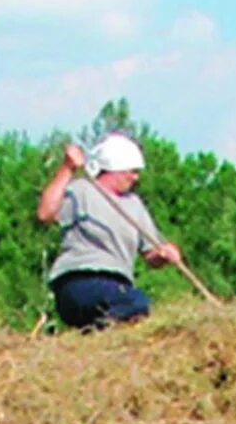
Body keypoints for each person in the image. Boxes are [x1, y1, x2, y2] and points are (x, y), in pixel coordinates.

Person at [35, 133, 184, 331]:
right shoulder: (82, 190)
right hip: (79, 282)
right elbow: (45, 213)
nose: (136, 177)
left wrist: (164, 253)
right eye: (131, 171)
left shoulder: (134, 205)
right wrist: (67, 169)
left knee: (135, 307)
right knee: (136, 304)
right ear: (114, 169)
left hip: (118, 286)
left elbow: (150, 255)